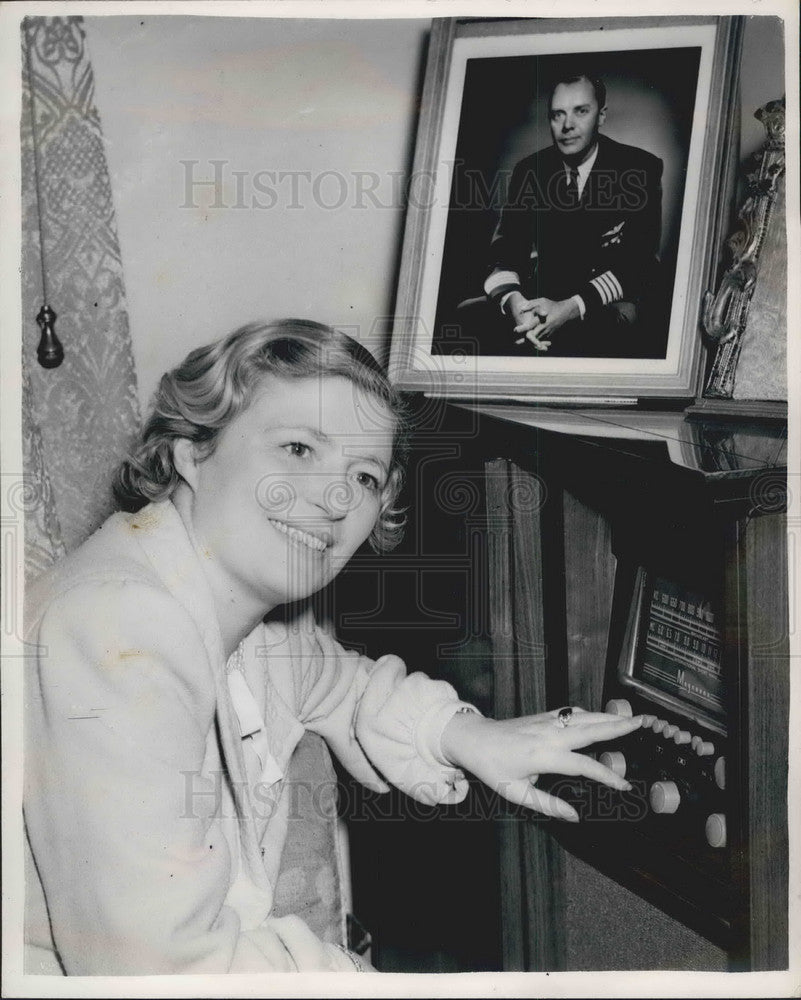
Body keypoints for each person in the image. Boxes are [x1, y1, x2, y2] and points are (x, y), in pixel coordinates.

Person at [23, 318, 643, 975]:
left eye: (366, 477)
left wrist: (467, 735)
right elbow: (159, 970)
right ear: (191, 452)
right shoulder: (119, 627)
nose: (335, 498)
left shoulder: (241, 613)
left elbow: (343, 684)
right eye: (297, 448)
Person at [458, 70, 664, 358]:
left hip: (601, 302)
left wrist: (570, 308)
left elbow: (638, 263)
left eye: (581, 111)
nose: (568, 125)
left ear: (601, 116)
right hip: (540, 300)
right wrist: (515, 303)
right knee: (466, 314)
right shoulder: (530, 171)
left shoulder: (639, 168)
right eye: (558, 115)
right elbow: (503, 255)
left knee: (605, 333)